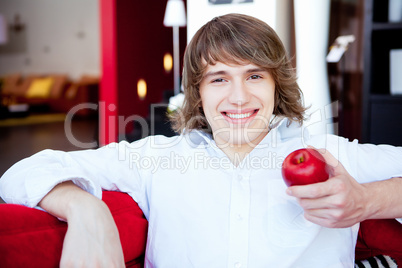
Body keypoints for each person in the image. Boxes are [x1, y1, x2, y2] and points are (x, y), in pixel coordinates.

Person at [1, 13, 402, 268]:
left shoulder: (330, 156)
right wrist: (87, 211)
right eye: (219, 79)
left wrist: (367, 201)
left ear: (277, 85)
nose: (240, 96)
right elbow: (19, 174)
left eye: (255, 75)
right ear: (198, 91)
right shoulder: (156, 158)